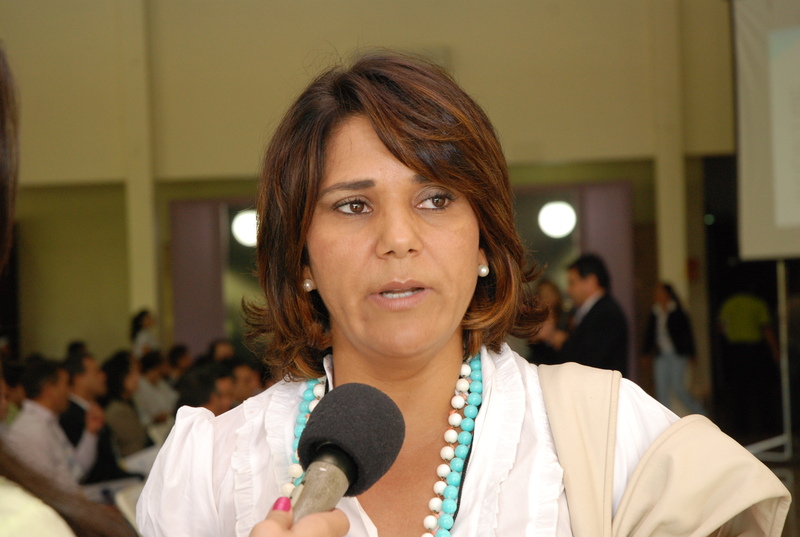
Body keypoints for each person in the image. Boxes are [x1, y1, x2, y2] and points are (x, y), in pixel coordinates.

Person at [137, 52, 788, 537]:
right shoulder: (214, 468)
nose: (398, 239)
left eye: (436, 198)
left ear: (483, 241)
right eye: (354, 205)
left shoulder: (608, 435)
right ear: (300, 256)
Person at [0, 43, 135, 537]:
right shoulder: (28, 433)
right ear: (55, 386)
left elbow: (70, 474)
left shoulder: (52, 425)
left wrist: (92, 436)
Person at [60, 351, 141, 484]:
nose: (103, 376)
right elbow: (94, 472)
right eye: (96, 372)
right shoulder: (70, 416)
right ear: (79, 379)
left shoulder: (90, 408)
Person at [553, 254, 629, 376]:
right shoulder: (597, 310)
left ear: (591, 282)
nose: (568, 290)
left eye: (572, 282)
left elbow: (589, 362)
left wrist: (564, 344)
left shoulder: (606, 314)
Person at [642, 282, 705, 415]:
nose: (657, 296)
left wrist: (692, 354)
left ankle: (700, 412)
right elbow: (650, 334)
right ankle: (666, 420)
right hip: (661, 356)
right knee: (661, 390)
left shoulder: (678, 312)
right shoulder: (655, 313)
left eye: (660, 293)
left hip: (677, 355)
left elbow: (687, 334)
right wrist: (646, 352)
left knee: (678, 387)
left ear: (667, 294)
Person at [102, 351, 152, 457]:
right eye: (131, 373)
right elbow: (136, 444)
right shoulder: (116, 410)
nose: (137, 377)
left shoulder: (128, 402)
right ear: (121, 377)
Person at [526, 279, 568, 365]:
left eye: (550, 292)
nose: (547, 297)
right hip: (540, 357)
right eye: (544, 293)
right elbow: (533, 337)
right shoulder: (535, 314)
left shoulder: (565, 316)